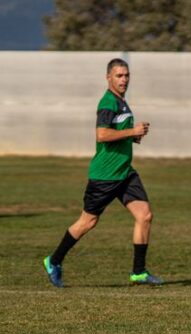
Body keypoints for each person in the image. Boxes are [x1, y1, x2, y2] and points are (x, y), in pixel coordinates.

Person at [42, 58, 162, 287]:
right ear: (108, 78)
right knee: (88, 222)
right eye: (119, 76)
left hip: (125, 173)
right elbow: (102, 135)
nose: (124, 80)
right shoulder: (108, 103)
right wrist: (131, 131)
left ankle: (139, 272)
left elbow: (117, 134)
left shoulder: (122, 102)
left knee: (144, 215)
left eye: (126, 75)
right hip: (105, 176)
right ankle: (54, 260)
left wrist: (134, 136)